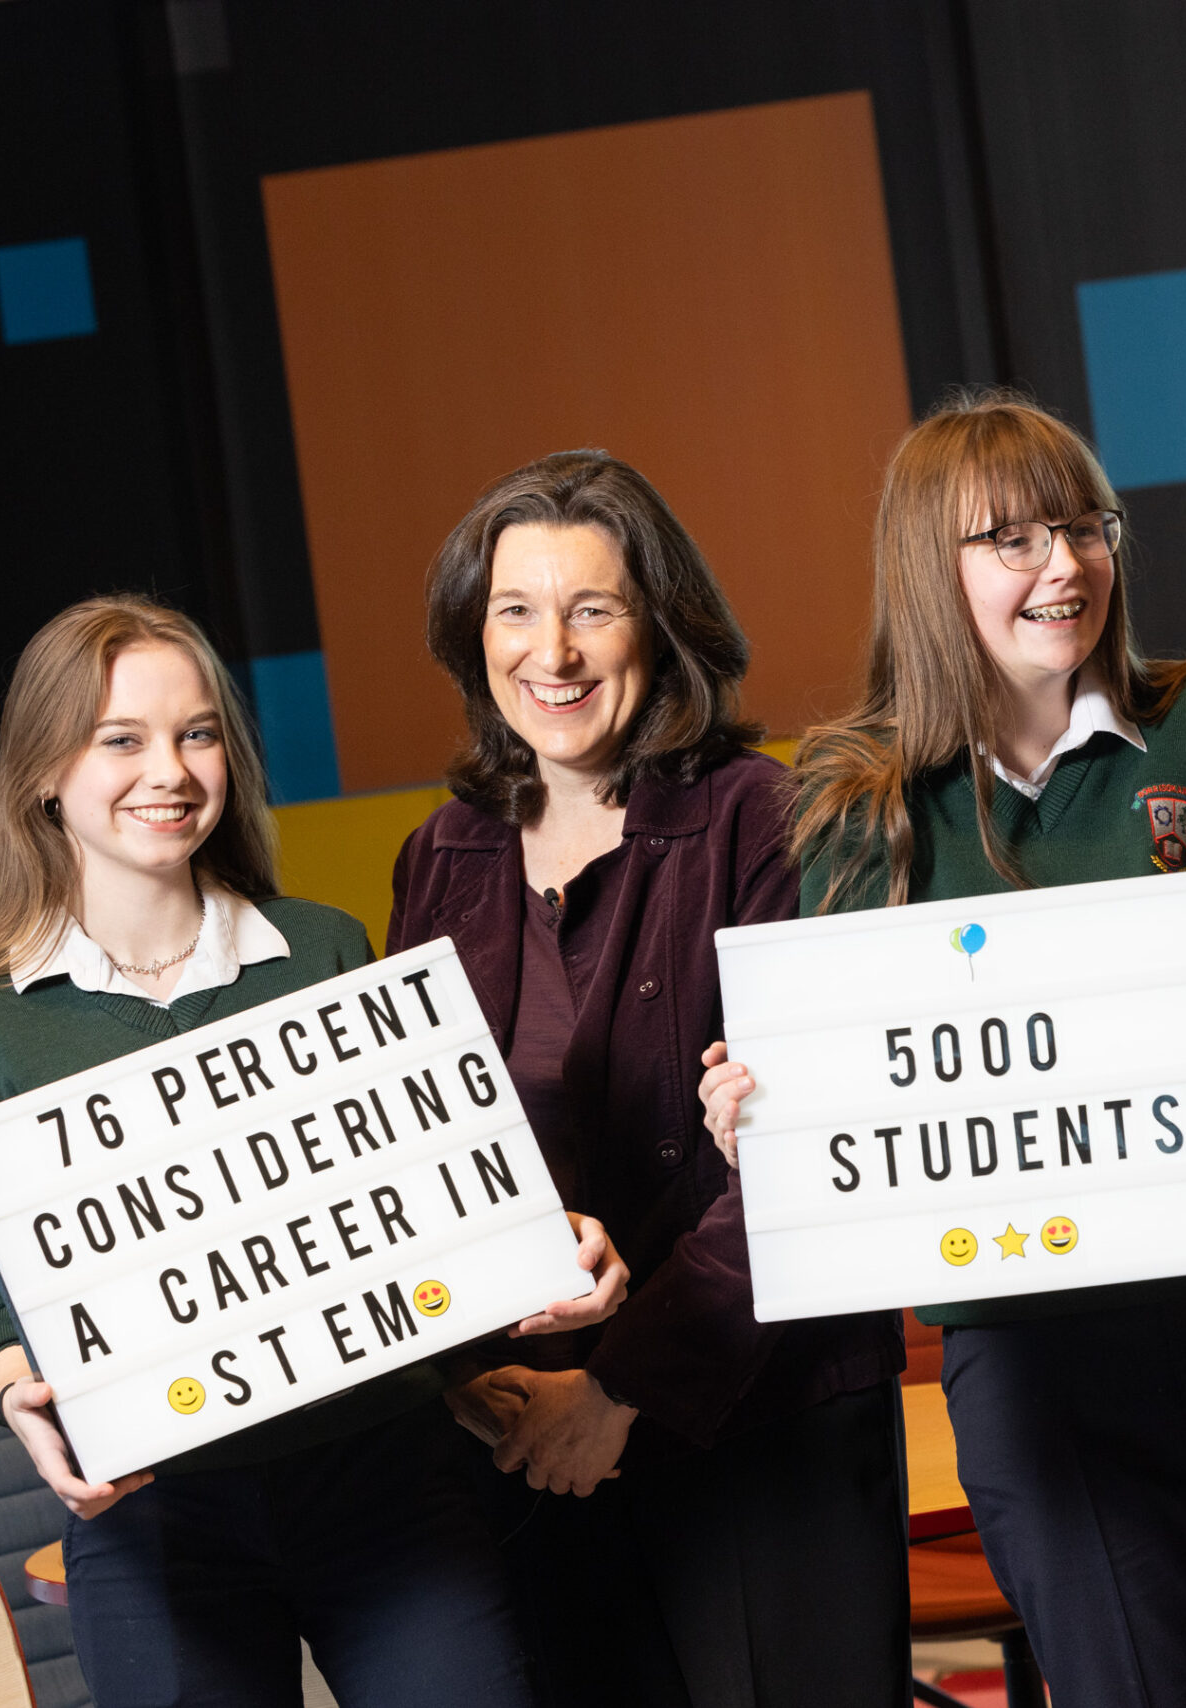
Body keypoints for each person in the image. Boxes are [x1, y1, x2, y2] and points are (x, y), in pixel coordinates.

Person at [698, 391, 1186, 1706]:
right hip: (1039, 1366)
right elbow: (855, 1107)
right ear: (930, 568)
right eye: (1012, 540)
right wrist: (767, 1120)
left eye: (1085, 527)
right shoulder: (855, 796)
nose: (1065, 565)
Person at [0, 595, 626, 1708]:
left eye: (198, 733)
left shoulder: (324, 949)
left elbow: (418, 1210)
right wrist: (17, 1394)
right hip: (158, 1511)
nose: (171, 769)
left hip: (388, 1480)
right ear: (45, 770)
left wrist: (541, 1251)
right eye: (123, 739)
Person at [388, 450, 910, 1707]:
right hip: (521, 1443)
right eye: (516, 610)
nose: (550, 651)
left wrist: (618, 1391)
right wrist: (464, 1378)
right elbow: (408, 1152)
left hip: (758, 1431)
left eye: (592, 609)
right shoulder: (441, 854)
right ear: (476, 634)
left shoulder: (768, 820)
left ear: (659, 627)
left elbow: (818, 1158)